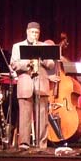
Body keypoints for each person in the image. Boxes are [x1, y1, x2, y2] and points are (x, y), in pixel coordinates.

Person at [10, 22, 55, 150]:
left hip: (41, 83)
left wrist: (41, 57)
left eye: (37, 33)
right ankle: (24, 144)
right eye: (32, 32)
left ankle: (42, 145)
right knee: (24, 115)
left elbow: (51, 64)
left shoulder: (44, 46)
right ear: (27, 32)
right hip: (25, 84)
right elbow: (14, 64)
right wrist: (28, 61)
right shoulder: (17, 46)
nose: (34, 35)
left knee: (42, 117)